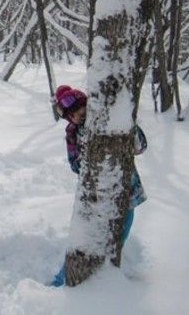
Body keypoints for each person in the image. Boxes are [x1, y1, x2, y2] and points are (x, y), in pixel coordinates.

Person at [50, 84, 147, 286]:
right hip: (94, 197)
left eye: (80, 109)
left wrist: (130, 126)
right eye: (72, 114)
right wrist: (90, 156)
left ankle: (108, 281)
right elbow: (75, 165)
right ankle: (63, 280)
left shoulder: (109, 120)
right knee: (85, 241)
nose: (78, 115)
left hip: (125, 195)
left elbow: (140, 147)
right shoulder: (72, 133)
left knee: (118, 239)